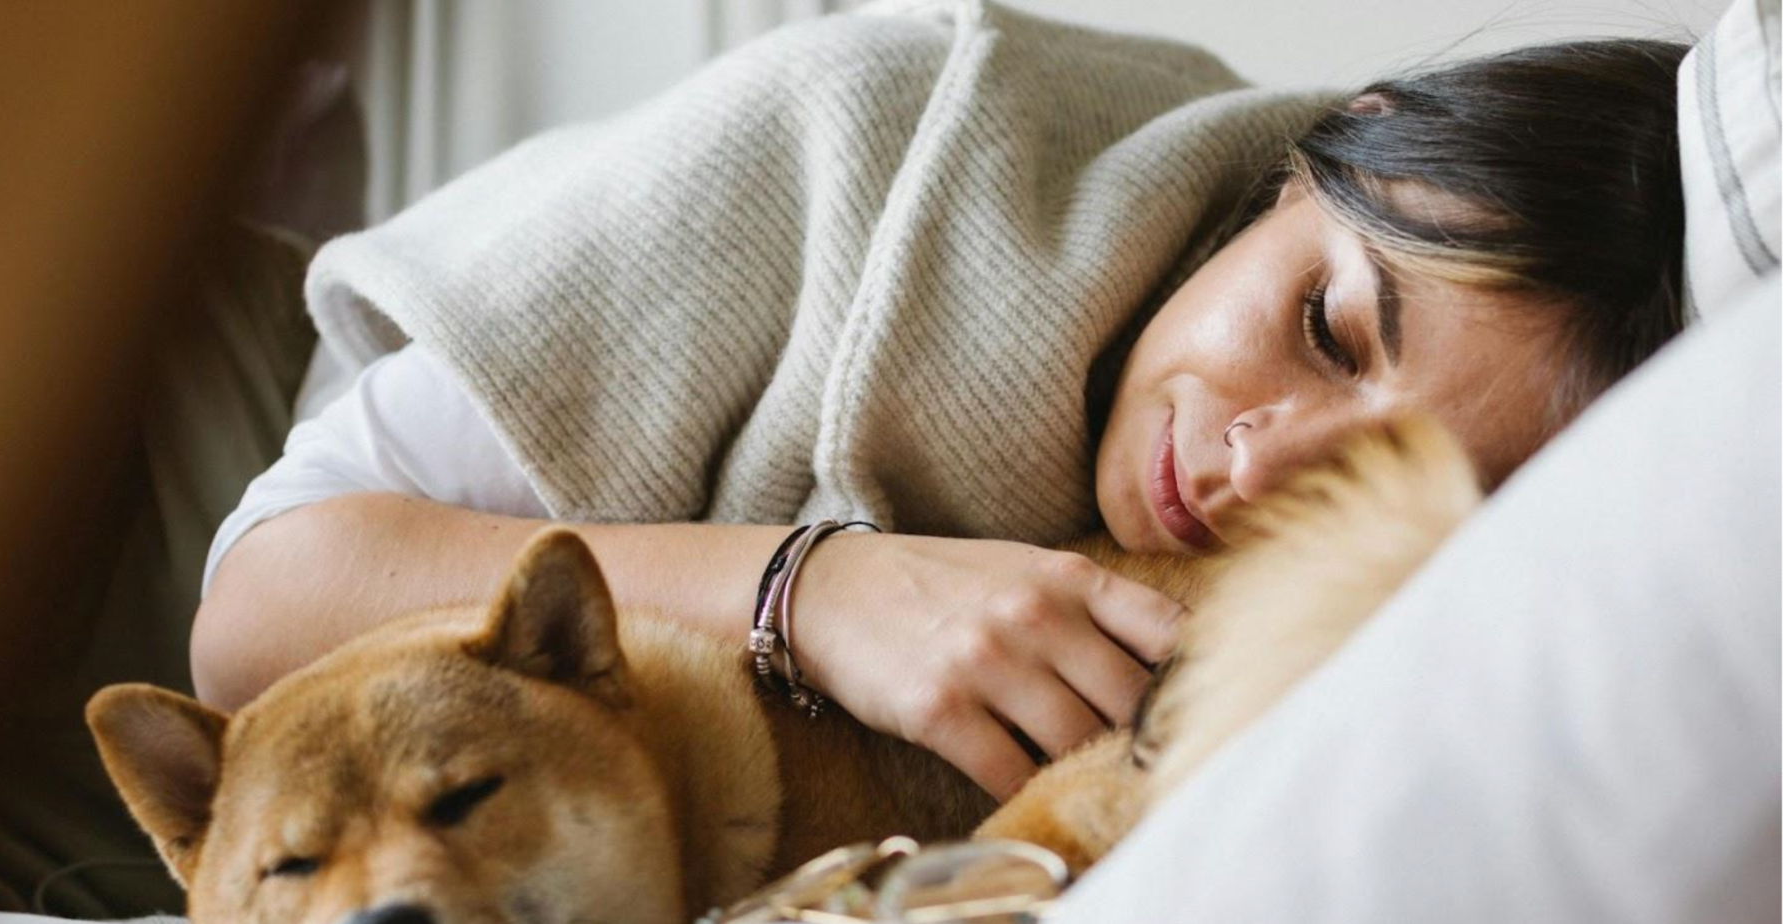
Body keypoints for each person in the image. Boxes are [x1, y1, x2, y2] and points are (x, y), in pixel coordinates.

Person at [193, 29, 1688, 802]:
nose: (1256, 472)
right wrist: (813, 585)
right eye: (1325, 324)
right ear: (1334, 147)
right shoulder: (870, 130)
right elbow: (261, 607)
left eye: (1393, 481)